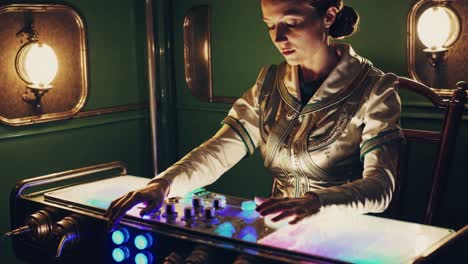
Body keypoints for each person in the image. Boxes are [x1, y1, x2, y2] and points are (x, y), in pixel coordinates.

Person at [105, 0, 404, 230]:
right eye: (270, 25)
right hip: (278, 233)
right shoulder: (269, 84)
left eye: (291, 21)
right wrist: (164, 183)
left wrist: (316, 203)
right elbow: (219, 151)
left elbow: (381, 187)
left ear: (328, 16)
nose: (279, 37)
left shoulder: (374, 88)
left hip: (346, 237)